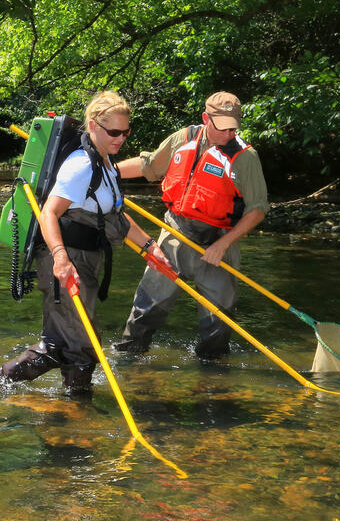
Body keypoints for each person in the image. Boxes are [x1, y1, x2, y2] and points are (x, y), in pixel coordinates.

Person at [0, 91, 170, 396]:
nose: (121, 139)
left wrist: (150, 247)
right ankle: (72, 411)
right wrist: (60, 258)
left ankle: (6, 387)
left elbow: (117, 218)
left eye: (126, 132)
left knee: (64, 343)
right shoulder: (80, 165)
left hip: (86, 260)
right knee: (79, 344)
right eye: (114, 132)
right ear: (94, 125)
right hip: (64, 261)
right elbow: (50, 213)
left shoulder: (107, 164)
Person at [112, 91, 268, 359]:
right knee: (147, 306)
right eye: (222, 127)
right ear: (206, 118)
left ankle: (211, 378)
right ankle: (129, 359)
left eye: (234, 126)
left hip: (219, 241)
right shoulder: (182, 139)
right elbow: (149, 165)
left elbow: (257, 210)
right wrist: (107, 170)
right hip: (175, 233)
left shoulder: (245, 157)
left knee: (218, 322)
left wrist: (222, 245)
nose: (229, 133)